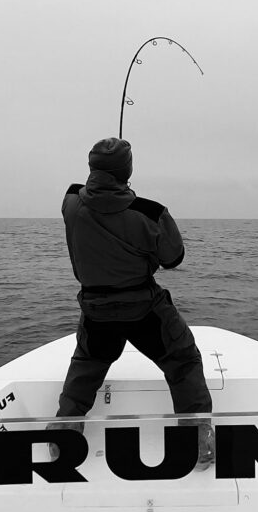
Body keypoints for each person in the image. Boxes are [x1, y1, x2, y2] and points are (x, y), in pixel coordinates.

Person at [53, 137, 213, 466]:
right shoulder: (150, 213)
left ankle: (63, 435)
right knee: (183, 362)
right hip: (144, 309)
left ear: (91, 167)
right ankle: (198, 443)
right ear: (128, 169)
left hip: (96, 309)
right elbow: (173, 258)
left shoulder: (71, 202)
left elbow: (82, 193)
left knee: (86, 367)